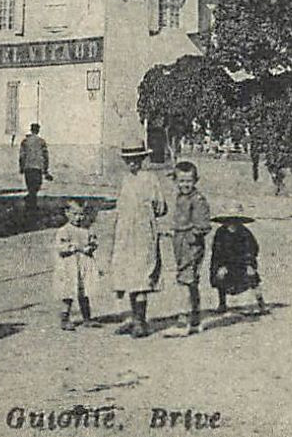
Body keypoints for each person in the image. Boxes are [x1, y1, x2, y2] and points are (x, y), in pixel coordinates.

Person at [107, 139, 170, 338]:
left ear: (143, 159)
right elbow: (120, 207)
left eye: (136, 159)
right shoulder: (125, 180)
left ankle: (141, 321)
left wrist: (148, 211)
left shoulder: (150, 179)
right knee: (127, 274)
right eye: (129, 160)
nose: (132, 164)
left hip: (143, 233)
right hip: (125, 234)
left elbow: (161, 207)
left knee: (142, 274)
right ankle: (133, 318)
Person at [163, 161, 212, 338]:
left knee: (185, 280)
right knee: (189, 281)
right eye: (181, 181)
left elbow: (204, 224)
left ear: (195, 181)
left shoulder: (197, 199)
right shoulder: (180, 198)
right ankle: (195, 319)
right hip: (180, 241)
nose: (185, 185)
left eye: (188, 181)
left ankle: (183, 321)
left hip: (191, 244)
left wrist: (193, 236)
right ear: (176, 181)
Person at [210, 201, 267, 317]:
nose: (232, 223)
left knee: (253, 278)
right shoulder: (220, 233)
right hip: (226, 264)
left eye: (235, 219)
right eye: (228, 220)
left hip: (242, 263)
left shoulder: (245, 233)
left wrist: (249, 264)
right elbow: (217, 251)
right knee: (220, 276)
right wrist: (221, 266)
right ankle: (222, 304)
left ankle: (261, 303)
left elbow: (252, 249)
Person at [53, 200, 98, 330]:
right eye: (75, 214)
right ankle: (65, 319)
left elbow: (93, 241)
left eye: (81, 214)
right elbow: (61, 248)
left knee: (84, 292)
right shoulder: (64, 231)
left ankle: (87, 318)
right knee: (68, 292)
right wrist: (76, 248)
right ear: (67, 213)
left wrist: (91, 247)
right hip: (69, 266)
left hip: (83, 265)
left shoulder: (86, 230)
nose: (79, 218)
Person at [19, 123, 51, 211]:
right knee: (36, 186)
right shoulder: (41, 141)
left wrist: (21, 167)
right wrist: (46, 169)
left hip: (28, 167)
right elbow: (45, 156)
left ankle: (30, 203)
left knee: (31, 187)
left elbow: (22, 155)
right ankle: (32, 206)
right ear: (38, 130)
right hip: (37, 167)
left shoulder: (25, 141)